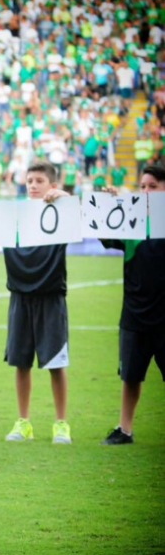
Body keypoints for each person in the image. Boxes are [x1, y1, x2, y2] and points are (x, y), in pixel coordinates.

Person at [0, 160, 73, 444]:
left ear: (51, 185)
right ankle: (24, 422)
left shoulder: (62, 212)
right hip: (19, 297)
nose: (33, 185)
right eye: (29, 181)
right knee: (21, 363)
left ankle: (61, 423)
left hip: (51, 297)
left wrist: (65, 197)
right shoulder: (14, 214)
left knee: (56, 364)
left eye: (39, 181)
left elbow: (84, 213)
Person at [100, 165, 165, 445]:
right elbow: (105, 233)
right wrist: (108, 204)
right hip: (134, 316)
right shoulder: (131, 221)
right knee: (130, 376)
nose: (146, 192)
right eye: (142, 187)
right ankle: (124, 430)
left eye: (153, 187)